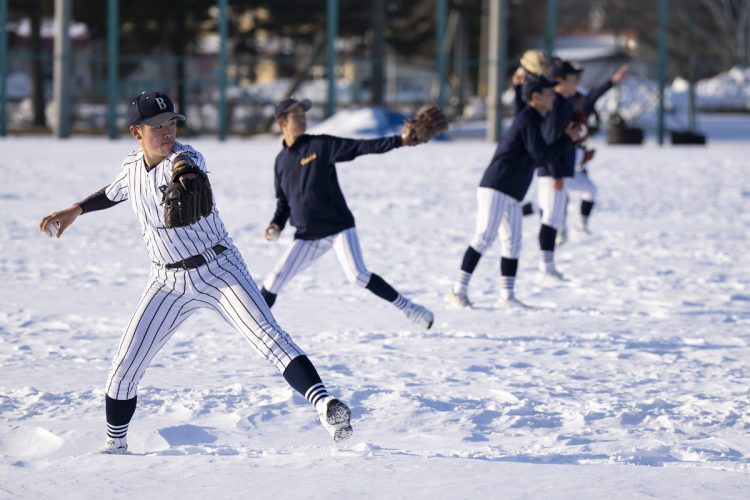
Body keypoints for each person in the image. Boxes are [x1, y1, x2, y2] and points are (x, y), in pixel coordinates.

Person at [38, 91, 353, 454]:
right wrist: (75, 209)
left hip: (220, 271)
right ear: (135, 132)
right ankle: (116, 444)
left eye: (171, 122)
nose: (167, 130)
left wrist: (185, 172)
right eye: (156, 126)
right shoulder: (130, 167)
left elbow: (188, 163)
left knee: (269, 338)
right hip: (166, 282)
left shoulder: (186, 158)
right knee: (124, 366)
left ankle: (326, 405)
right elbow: (114, 192)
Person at [258, 97, 434, 329]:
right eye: (296, 115)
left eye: (304, 114)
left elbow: (360, 147)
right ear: (282, 122)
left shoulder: (319, 145)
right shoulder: (281, 162)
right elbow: (283, 202)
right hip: (308, 235)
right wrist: (276, 225)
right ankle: (254, 325)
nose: (303, 119)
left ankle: (411, 309)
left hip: (338, 226)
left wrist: (399, 141)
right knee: (274, 280)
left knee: (358, 275)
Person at [445, 75, 580, 309]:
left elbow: (538, 149)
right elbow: (540, 156)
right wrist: (567, 140)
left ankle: (506, 297)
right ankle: (457, 291)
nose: (552, 97)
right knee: (484, 237)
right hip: (497, 186)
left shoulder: (533, 118)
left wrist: (518, 87)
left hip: (511, 191)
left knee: (513, 243)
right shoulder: (529, 118)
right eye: (549, 94)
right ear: (536, 98)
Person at [561, 64, 630, 237]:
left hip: (576, 152)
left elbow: (595, 94)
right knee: (555, 197)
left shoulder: (581, 98)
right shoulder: (556, 98)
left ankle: (580, 224)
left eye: (577, 78)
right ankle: (558, 229)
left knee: (588, 189)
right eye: (572, 78)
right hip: (560, 155)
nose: (575, 82)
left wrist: (613, 81)